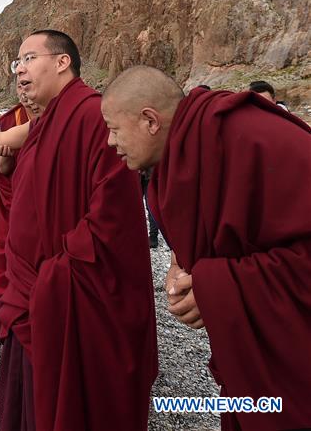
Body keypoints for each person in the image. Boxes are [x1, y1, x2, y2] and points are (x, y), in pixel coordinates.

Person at [0, 30, 156, 431]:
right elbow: (22, 181)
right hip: (30, 296)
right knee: (28, 405)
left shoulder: (93, 115)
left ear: (61, 62)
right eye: (16, 62)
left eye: (28, 58)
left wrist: (53, 278)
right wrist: (3, 170)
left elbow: (114, 221)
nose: (19, 69)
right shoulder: (41, 124)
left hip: (61, 295)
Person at [101, 66, 311, 430]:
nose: (109, 142)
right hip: (250, 365)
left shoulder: (252, 138)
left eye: (114, 129)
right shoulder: (179, 158)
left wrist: (214, 290)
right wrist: (178, 263)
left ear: (151, 121)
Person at [0, 82, 40, 341]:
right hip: (13, 210)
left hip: (39, 212)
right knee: (5, 260)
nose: (26, 95)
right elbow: (1, 171)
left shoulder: (55, 117)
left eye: (29, 87)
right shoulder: (9, 121)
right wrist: (3, 163)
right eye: (21, 89)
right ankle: (8, 327)